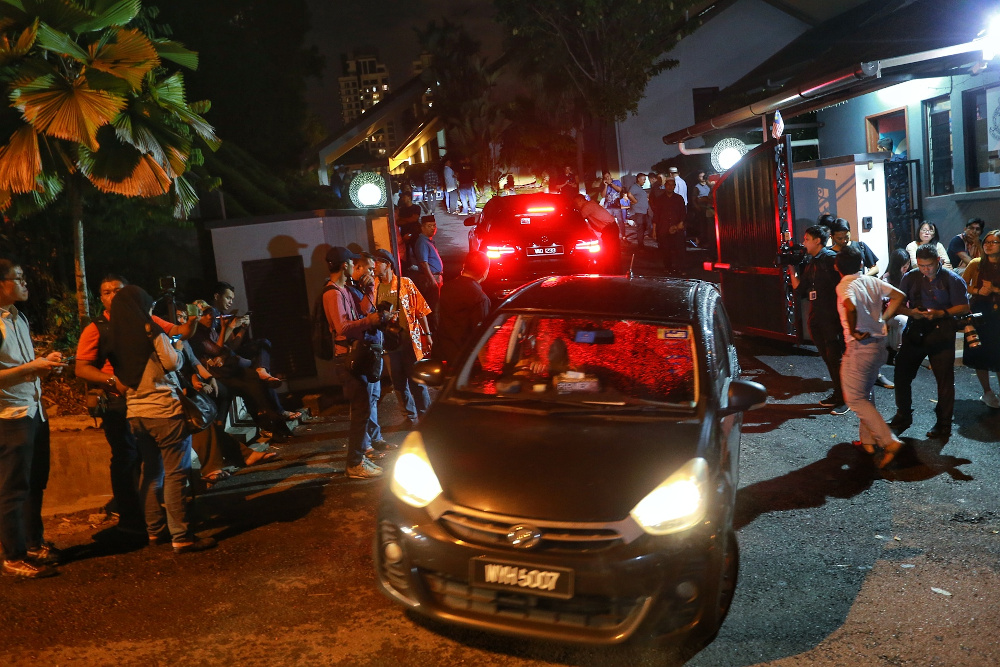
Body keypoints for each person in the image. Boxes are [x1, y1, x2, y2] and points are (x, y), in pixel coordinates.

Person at [110, 285, 216, 554]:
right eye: (148, 304)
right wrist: (179, 348)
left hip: (136, 414)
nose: (150, 309)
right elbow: (171, 363)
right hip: (164, 411)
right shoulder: (150, 330)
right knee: (175, 474)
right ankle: (181, 536)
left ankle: (155, 531)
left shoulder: (115, 337)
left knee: (151, 472)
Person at [0, 258, 67, 578]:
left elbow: (21, 365)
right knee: (12, 489)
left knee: (35, 483)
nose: (25, 283)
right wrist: (32, 369)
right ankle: (14, 556)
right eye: (19, 278)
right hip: (10, 416)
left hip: (34, 410)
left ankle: (33, 542)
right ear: (1, 284)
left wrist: (44, 362)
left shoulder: (19, 318)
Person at [834, 245, 907, 468]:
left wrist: (855, 330)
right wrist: (883, 318)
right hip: (879, 345)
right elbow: (899, 295)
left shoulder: (845, 285)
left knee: (854, 398)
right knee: (865, 391)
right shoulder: (871, 281)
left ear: (837, 267)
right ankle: (867, 441)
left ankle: (888, 442)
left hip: (860, 346)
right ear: (860, 264)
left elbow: (850, 305)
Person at [889, 244, 970, 439]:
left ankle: (943, 424)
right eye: (922, 265)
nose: (926, 269)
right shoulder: (910, 277)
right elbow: (897, 305)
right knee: (901, 374)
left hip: (942, 331)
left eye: (930, 265)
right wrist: (911, 313)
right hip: (916, 330)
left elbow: (964, 307)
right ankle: (903, 416)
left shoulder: (953, 279)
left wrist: (942, 313)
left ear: (939, 261)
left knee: (944, 381)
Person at [323, 247, 385, 478]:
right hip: (345, 357)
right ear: (344, 265)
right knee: (361, 410)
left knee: (363, 408)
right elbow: (342, 328)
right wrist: (368, 321)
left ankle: (358, 458)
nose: (354, 266)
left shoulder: (345, 289)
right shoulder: (332, 293)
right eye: (351, 262)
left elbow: (361, 312)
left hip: (354, 356)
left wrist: (369, 289)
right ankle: (354, 463)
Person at [786, 225, 849, 415]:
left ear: (817, 241)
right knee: (829, 359)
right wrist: (791, 268)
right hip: (817, 318)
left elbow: (845, 282)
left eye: (807, 239)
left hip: (832, 318)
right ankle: (838, 394)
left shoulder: (830, 259)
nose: (804, 242)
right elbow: (800, 290)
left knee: (836, 359)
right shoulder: (812, 263)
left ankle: (845, 398)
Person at [373, 249, 433, 426]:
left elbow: (420, 309)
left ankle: (426, 417)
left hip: (409, 341)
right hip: (389, 343)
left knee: (417, 382)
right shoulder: (374, 286)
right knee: (398, 384)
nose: (374, 267)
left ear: (388, 264)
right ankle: (409, 416)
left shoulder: (405, 283)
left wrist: (427, 334)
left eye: (377, 262)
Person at [345, 252, 392, 459]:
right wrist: (371, 289)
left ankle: (375, 439)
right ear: (358, 268)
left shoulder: (357, 288)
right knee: (364, 401)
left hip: (372, 349)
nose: (373, 273)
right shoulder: (349, 290)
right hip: (362, 352)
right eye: (370, 269)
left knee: (372, 397)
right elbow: (365, 311)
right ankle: (366, 447)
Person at [210, 281, 281, 385]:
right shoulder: (209, 315)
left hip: (230, 352)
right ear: (217, 296)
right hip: (221, 357)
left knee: (264, 343)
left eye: (232, 299)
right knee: (249, 362)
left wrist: (243, 328)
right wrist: (232, 326)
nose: (231, 302)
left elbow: (233, 345)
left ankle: (261, 370)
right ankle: (258, 370)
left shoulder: (223, 315)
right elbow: (216, 344)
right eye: (228, 298)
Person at [961, 229, 1000, 409]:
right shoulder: (976, 263)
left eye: (993, 242)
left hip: (997, 313)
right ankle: (987, 392)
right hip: (980, 313)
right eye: (986, 242)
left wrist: (994, 290)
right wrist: (978, 291)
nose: (988, 245)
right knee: (980, 353)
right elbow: (961, 284)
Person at [435, 251, 491, 368]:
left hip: (445, 357)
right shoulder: (480, 298)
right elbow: (480, 335)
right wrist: (486, 366)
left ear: (464, 266)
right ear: (485, 272)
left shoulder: (446, 288)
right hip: (466, 363)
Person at [572, 193, 622, 273]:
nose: (575, 205)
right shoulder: (590, 204)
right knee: (612, 250)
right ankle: (615, 270)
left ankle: (612, 271)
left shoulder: (587, 207)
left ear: (581, 200)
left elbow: (578, 220)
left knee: (610, 250)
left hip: (609, 228)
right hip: (610, 227)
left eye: (576, 203)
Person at [880, 248, 911, 368]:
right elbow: (885, 304)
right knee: (903, 320)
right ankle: (899, 354)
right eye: (903, 265)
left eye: (907, 264)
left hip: (905, 311)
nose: (906, 267)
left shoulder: (908, 276)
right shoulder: (886, 280)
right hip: (889, 315)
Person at [412, 214, 444, 330]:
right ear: (422, 228)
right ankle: (434, 331)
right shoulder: (422, 242)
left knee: (437, 304)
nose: (432, 228)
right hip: (431, 278)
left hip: (436, 277)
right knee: (433, 306)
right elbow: (424, 264)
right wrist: (432, 281)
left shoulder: (428, 241)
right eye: (429, 226)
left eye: (434, 225)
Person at [652, 176, 687, 275]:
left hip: (677, 228)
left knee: (680, 249)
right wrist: (654, 230)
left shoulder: (679, 199)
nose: (670, 187)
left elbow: (683, 214)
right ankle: (668, 268)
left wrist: (679, 224)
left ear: (674, 186)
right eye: (668, 185)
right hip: (663, 228)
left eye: (672, 185)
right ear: (665, 186)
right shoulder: (660, 199)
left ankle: (681, 268)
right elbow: (656, 215)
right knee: (665, 250)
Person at [626, 173, 651, 248]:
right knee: (640, 228)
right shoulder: (634, 187)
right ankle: (640, 246)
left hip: (643, 212)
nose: (644, 181)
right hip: (638, 212)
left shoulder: (640, 188)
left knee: (644, 227)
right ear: (638, 179)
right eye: (643, 179)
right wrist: (635, 201)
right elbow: (629, 194)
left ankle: (641, 243)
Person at [600, 171, 627, 238]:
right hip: (608, 206)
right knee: (609, 221)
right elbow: (603, 195)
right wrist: (606, 186)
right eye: (605, 177)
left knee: (620, 221)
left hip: (616, 205)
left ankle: (623, 236)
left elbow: (619, 190)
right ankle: (612, 235)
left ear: (610, 175)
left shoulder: (616, 182)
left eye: (608, 176)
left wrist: (611, 183)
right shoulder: (603, 184)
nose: (607, 178)